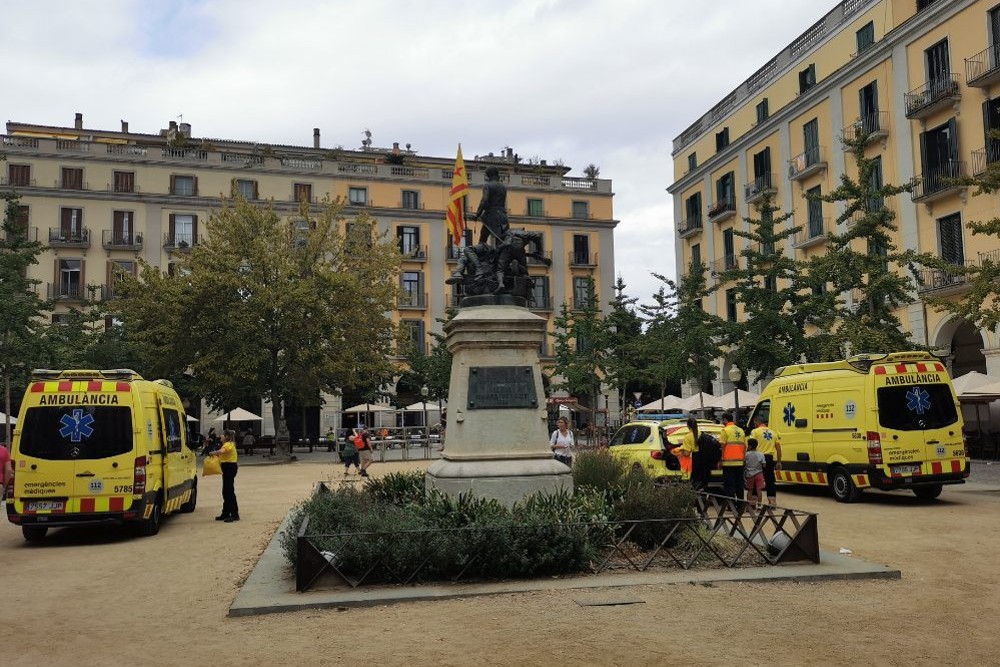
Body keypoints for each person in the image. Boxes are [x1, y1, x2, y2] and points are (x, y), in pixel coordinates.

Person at [470, 166, 509, 246]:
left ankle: (480, 254)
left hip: (492, 215)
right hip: (502, 216)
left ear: (488, 176)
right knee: (502, 238)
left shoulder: (487, 186)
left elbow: (484, 200)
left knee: (483, 237)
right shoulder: (503, 187)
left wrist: (477, 214)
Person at [749, 414, 783, 506]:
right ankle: (772, 502)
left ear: (757, 422)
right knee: (770, 481)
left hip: (758, 458)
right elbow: (778, 448)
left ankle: (753, 503)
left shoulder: (755, 432)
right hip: (769, 458)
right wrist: (779, 461)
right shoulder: (773, 433)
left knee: (755, 480)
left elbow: (751, 444)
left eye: (754, 422)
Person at [208, 429, 240, 522]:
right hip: (228, 467)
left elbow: (221, 451)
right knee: (226, 491)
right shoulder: (229, 444)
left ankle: (233, 514)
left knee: (228, 491)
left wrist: (212, 453)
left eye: (222, 434)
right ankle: (226, 512)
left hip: (229, 467)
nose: (220, 436)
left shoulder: (228, 444)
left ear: (226, 436)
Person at [718, 411, 747, 500]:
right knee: (739, 484)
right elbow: (744, 446)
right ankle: (740, 504)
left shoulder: (725, 430)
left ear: (725, 420)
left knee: (729, 485)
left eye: (723, 420)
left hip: (728, 463)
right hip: (740, 463)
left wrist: (720, 460)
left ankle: (730, 505)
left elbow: (722, 447)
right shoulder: (740, 430)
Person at [671, 416, 701, 488]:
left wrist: (679, 451)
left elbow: (687, 453)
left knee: (691, 484)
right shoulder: (700, 434)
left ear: (688, 426)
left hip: (691, 465)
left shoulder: (688, 437)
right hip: (701, 462)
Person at [743, 437, 767, 510]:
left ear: (749, 446)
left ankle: (748, 506)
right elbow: (764, 465)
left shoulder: (746, 455)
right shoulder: (761, 454)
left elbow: (744, 464)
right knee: (759, 490)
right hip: (759, 473)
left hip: (749, 474)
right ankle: (759, 506)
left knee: (750, 490)